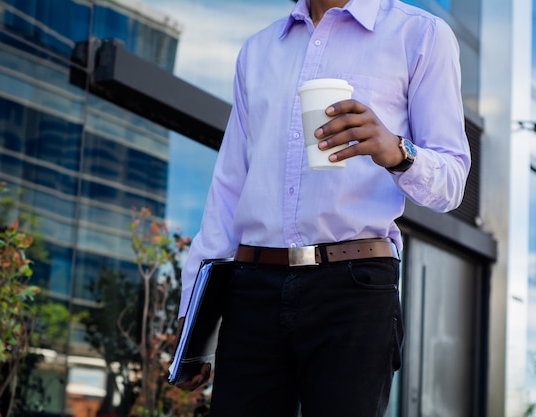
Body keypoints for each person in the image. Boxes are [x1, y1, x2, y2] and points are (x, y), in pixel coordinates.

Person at [174, 0, 471, 416]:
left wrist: (397, 151)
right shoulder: (259, 50)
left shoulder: (420, 34)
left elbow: (452, 182)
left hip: (354, 290)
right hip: (251, 288)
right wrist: (192, 316)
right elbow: (228, 187)